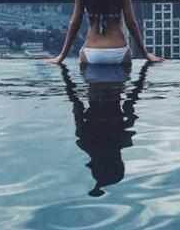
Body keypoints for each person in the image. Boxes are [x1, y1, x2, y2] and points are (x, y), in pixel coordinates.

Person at [57, 61, 151, 197]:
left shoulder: (122, 141)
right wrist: (67, 81)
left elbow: (129, 107)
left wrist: (140, 82)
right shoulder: (85, 143)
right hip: (99, 84)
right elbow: (77, 107)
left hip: (111, 83)